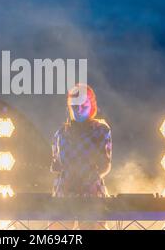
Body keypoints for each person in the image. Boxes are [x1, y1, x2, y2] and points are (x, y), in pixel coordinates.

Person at [50, 84, 112, 229]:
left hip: (91, 192)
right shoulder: (60, 133)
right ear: (69, 107)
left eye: (83, 105)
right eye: (75, 106)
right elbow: (56, 165)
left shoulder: (101, 130)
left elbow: (106, 164)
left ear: (92, 106)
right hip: (65, 190)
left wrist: (90, 179)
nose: (79, 109)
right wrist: (56, 168)